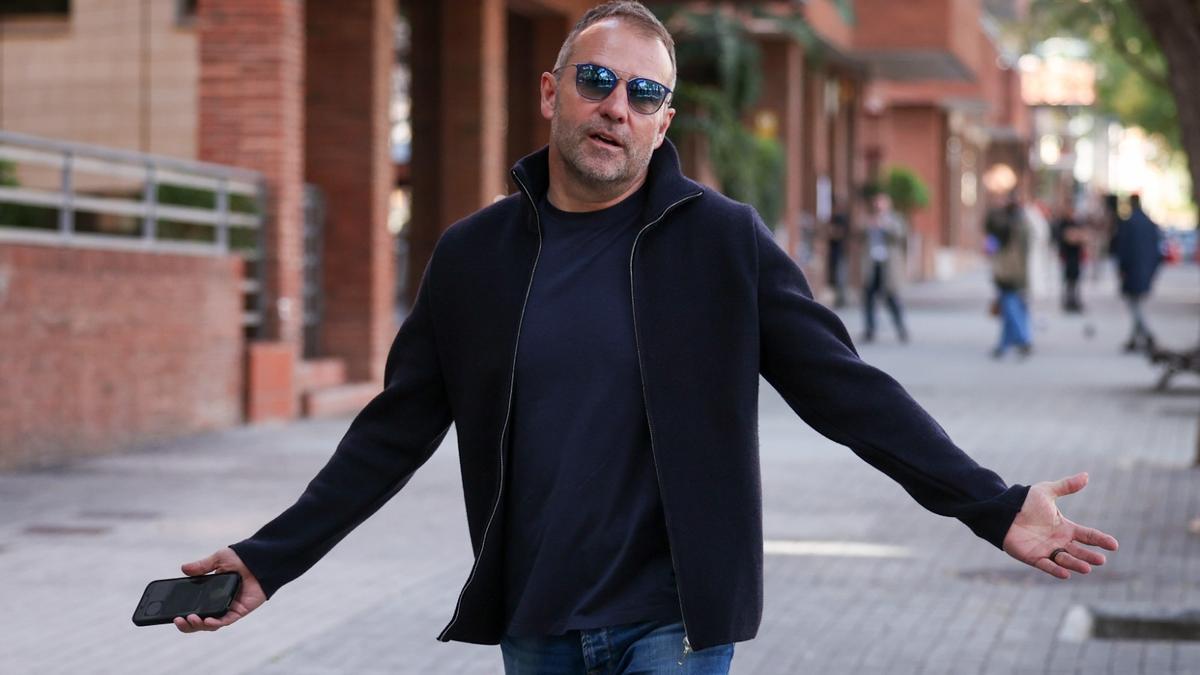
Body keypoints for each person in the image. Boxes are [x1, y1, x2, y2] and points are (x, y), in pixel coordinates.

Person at [173, 4, 1119, 673]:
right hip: (534, 619)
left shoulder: (721, 242)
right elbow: (391, 433)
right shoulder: (474, 256)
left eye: (642, 93)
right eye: (596, 81)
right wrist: (271, 557)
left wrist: (992, 505)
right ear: (552, 92)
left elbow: (847, 390)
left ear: (664, 121)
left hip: (674, 621)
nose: (615, 106)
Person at [1112, 193, 1164, 353]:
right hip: (1146, 270)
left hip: (1132, 270)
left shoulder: (1129, 224)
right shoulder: (1150, 224)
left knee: (1134, 304)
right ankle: (1134, 339)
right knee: (1137, 304)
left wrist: (1121, 269)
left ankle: (1147, 334)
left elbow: (1123, 249)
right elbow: (1158, 251)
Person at [986, 197, 1033, 359]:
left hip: (1008, 272)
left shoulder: (1008, 226)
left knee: (1010, 306)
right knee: (1011, 306)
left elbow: (989, 225)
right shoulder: (1023, 225)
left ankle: (1023, 339)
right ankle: (1003, 345)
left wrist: (997, 209)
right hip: (1018, 271)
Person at [859, 192, 909, 343]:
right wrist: (868, 225)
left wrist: (885, 226)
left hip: (888, 265)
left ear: (888, 205)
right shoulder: (869, 219)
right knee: (868, 297)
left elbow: (900, 235)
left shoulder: (895, 220)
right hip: (872, 263)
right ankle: (870, 330)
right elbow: (859, 234)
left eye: (881, 203)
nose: (878, 206)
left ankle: (901, 328)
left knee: (892, 298)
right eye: (876, 203)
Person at [1053, 201, 1086, 313]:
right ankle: (1068, 301)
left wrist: (1075, 236)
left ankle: (1075, 301)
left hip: (1076, 256)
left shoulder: (1076, 223)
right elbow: (1066, 238)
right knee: (1068, 280)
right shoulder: (1063, 223)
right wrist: (1074, 236)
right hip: (1067, 257)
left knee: (1076, 280)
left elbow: (1082, 236)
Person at [825, 195, 850, 308]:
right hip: (834, 251)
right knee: (835, 275)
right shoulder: (833, 217)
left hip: (840, 251)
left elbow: (839, 234)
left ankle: (841, 300)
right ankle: (838, 299)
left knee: (840, 275)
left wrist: (832, 231)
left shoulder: (842, 218)